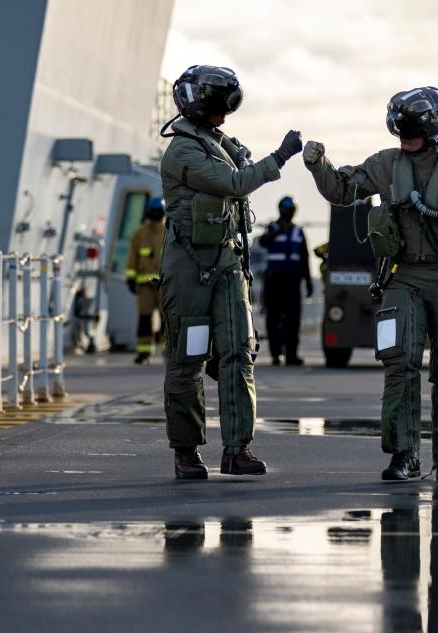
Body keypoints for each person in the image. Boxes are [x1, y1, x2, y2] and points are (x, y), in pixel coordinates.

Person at [302, 87, 438, 485]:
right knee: (399, 366)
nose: (406, 140)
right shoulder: (385, 165)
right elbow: (343, 190)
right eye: (402, 133)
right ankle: (404, 455)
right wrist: (318, 165)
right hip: (404, 278)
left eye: (412, 133)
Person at [158, 64, 302, 480]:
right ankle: (186, 451)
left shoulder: (217, 143)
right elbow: (236, 183)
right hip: (189, 266)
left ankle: (238, 449)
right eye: (219, 108)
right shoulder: (183, 152)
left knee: (239, 354)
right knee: (187, 358)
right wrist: (280, 156)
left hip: (227, 261)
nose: (224, 116)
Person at [258, 196, 313, 366]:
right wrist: (277, 231)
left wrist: (308, 281)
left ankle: (291, 355)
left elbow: (305, 257)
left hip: (292, 280)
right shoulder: (273, 228)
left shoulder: (298, 231)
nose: (288, 212)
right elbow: (263, 241)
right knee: (273, 318)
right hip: (274, 280)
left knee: (293, 319)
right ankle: (276, 354)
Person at [126, 196, 166, 365]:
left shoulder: (169, 232)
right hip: (145, 286)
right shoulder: (140, 234)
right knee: (144, 319)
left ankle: (168, 352)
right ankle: (144, 353)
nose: (156, 214)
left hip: (165, 285)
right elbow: (132, 258)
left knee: (167, 320)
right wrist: (130, 278)